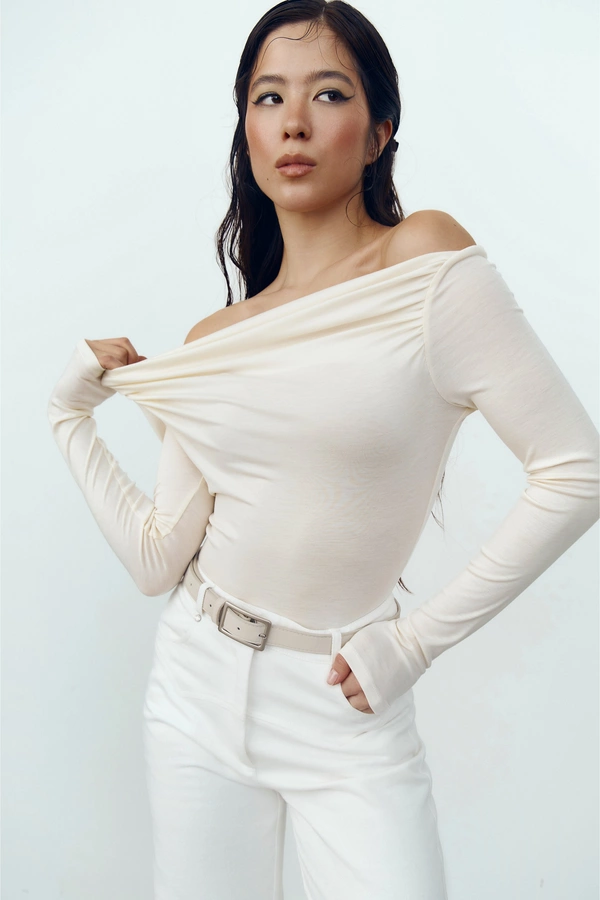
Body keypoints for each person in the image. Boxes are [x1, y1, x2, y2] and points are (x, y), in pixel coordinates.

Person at [47, 1, 599, 898]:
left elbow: (576, 471)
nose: (294, 122)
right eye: (268, 98)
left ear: (380, 132)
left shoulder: (423, 264)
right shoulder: (216, 337)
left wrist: (413, 644)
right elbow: (157, 560)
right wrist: (70, 418)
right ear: (247, 129)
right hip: (194, 684)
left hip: (345, 701)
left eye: (329, 93)